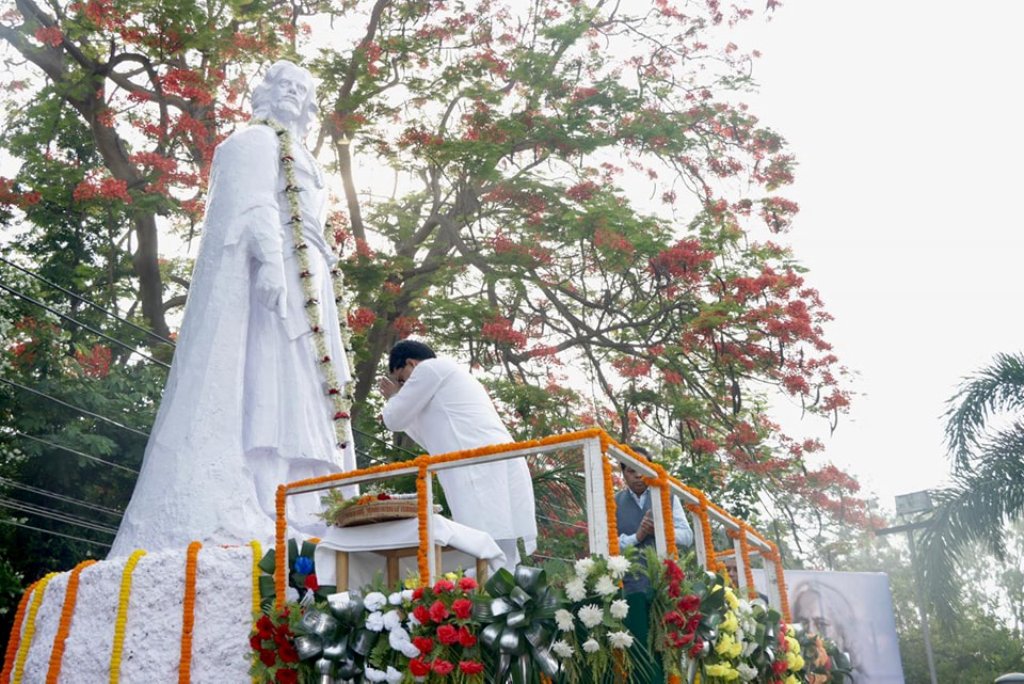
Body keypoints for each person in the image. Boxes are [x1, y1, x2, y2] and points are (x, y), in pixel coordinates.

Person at [108, 61, 357, 557]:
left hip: (314, 285)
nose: (290, 94)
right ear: (263, 94)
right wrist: (267, 262)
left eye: (300, 90)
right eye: (282, 85)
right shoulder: (254, 143)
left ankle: (311, 509)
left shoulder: (304, 158)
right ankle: (267, 499)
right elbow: (253, 205)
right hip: (277, 280)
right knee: (271, 386)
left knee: (310, 391)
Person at [378, 340, 537, 570]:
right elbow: (415, 429)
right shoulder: (447, 378)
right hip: (491, 458)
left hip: (478, 463)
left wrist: (393, 396)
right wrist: (397, 399)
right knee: (499, 540)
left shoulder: (429, 368)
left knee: (480, 540)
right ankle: (503, 598)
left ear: (411, 363)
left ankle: (487, 600)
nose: (403, 387)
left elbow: (393, 419)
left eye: (402, 379)